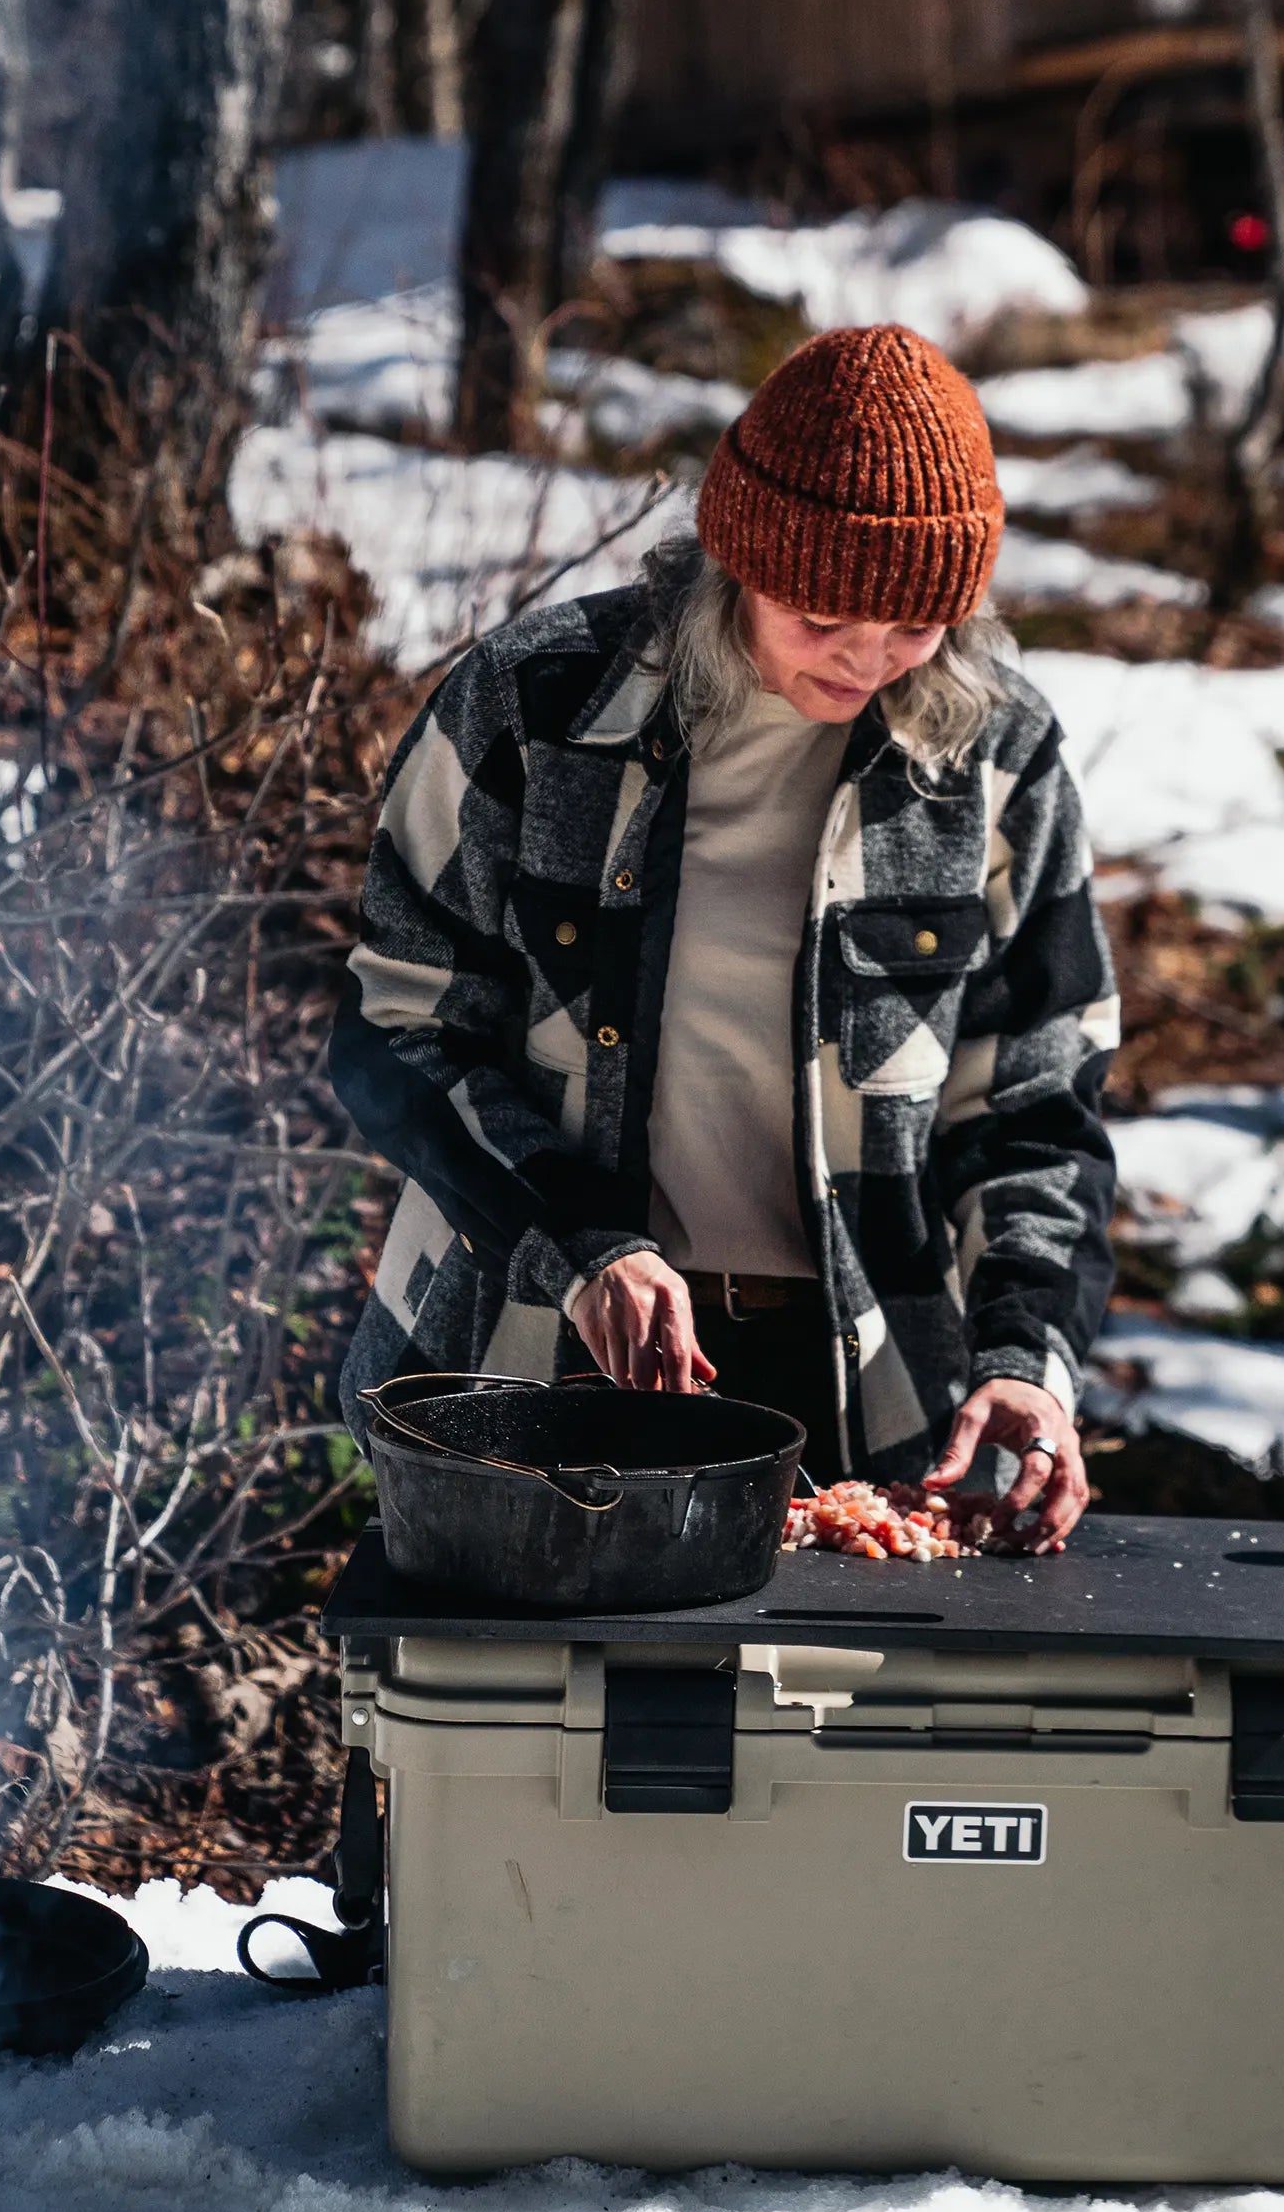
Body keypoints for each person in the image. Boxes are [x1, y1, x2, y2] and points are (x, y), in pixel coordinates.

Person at [332, 323, 1118, 1544]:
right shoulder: (533, 704)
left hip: (865, 1384)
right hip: (524, 1347)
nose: (867, 659)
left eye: (913, 627)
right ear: (740, 561)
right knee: (525, 1732)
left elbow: (1033, 1107)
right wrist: (582, 1245)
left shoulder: (998, 756)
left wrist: (1027, 1358)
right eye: (822, 618)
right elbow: (395, 1028)